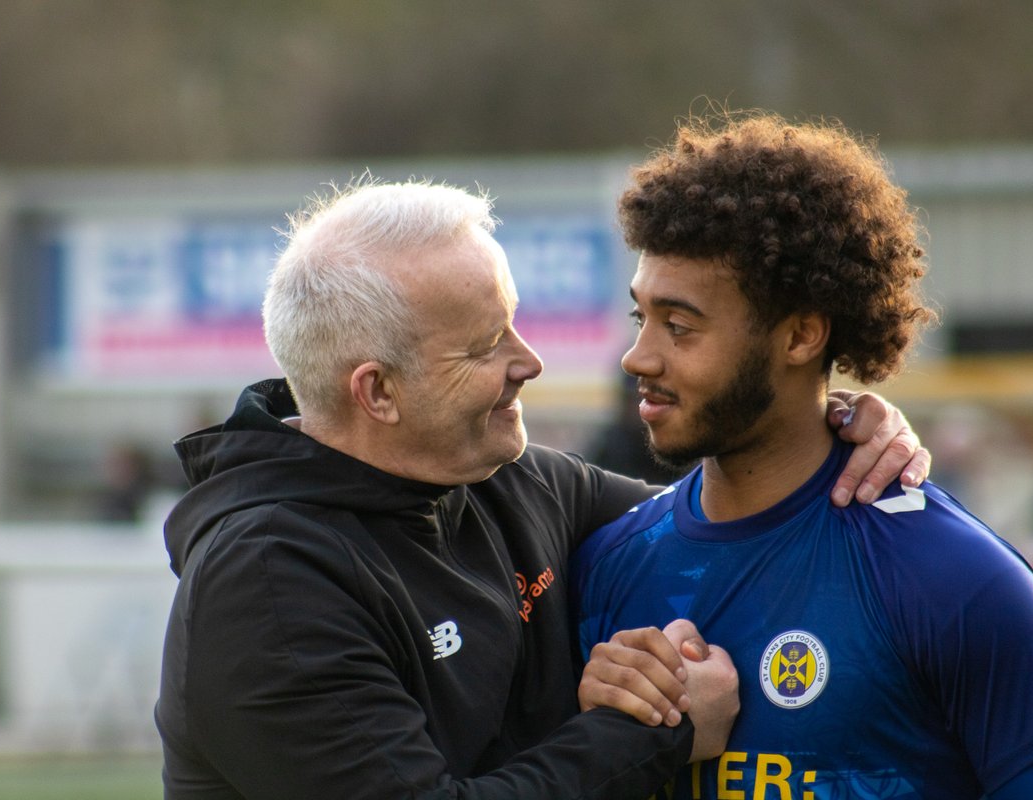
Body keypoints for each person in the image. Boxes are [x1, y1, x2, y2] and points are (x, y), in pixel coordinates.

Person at [155, 178, 929, 799]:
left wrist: (826, 427)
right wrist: (658, 727)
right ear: (378, 392)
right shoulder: (267, 586)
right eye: (487, 344)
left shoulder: (510, 480)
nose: (529, 361)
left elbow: (727, 525)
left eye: (514, 324)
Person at [572, 111, 1033, 798]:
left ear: (801, 336)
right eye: (642, 318)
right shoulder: (605, 564)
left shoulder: (956, 582)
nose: (638, 357)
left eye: (680, 325)